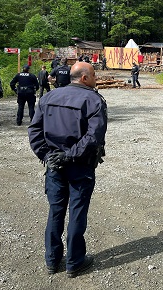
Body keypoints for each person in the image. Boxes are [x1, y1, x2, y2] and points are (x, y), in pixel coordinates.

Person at [28, 62, 107, 278]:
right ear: (84, 78)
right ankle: (74, 262)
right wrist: (66, 155)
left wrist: (46, 156)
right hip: (79, 166)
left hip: (55, 165)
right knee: (77, 212)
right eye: (93, 75)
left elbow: (34, 130)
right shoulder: (93, 100)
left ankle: (52, 260)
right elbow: (94, 137)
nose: (96, 78)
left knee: (56, 211)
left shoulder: (48, 97)